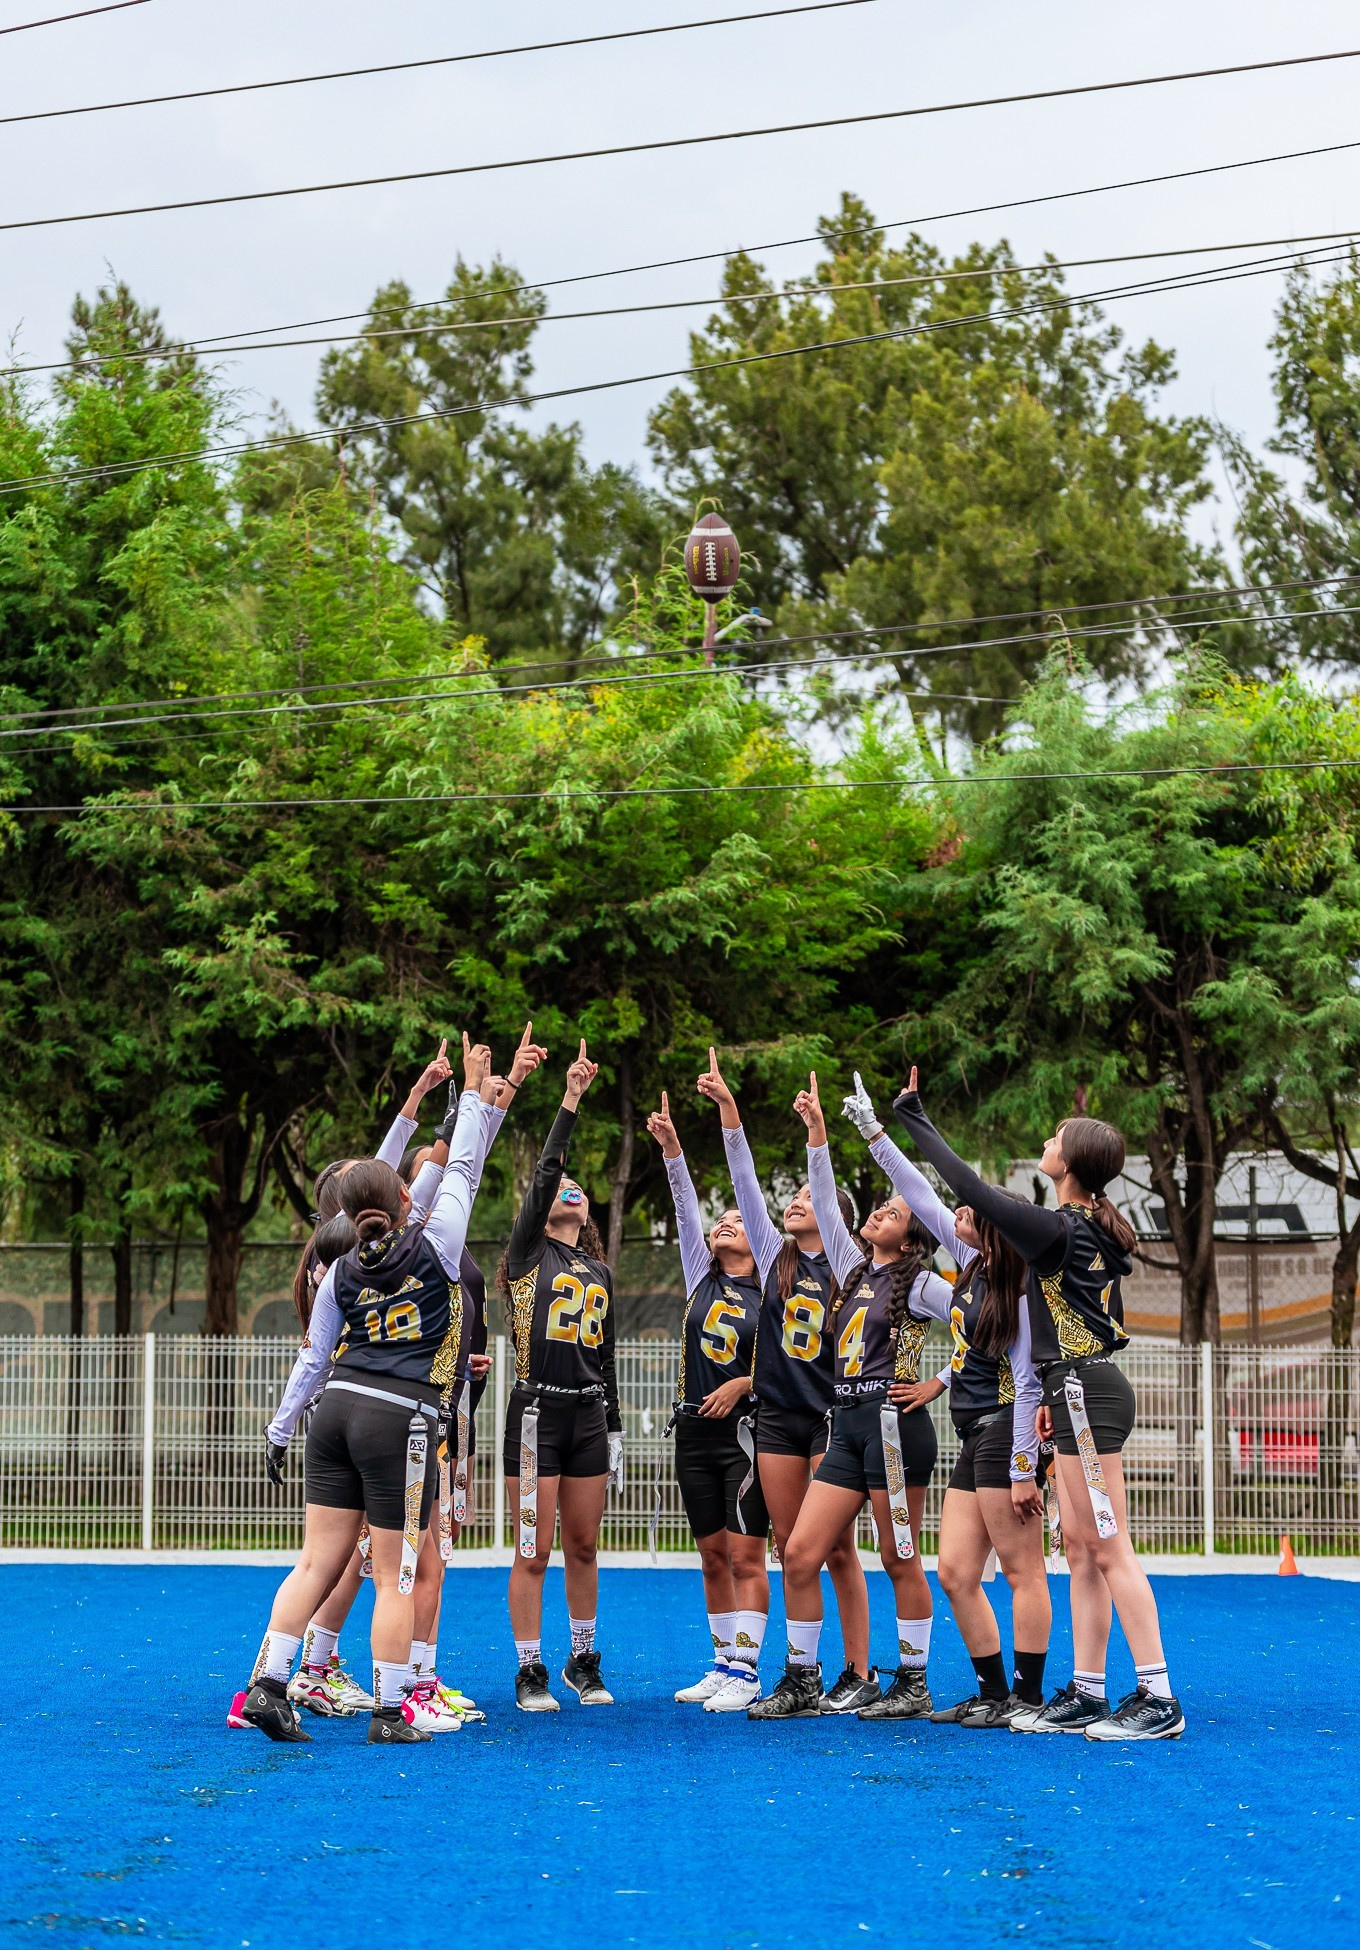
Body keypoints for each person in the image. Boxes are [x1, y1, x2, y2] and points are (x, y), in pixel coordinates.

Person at [892, 1071, 1185, 1741]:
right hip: (1075, 1390)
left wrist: (914, 1118)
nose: (1045, 1142)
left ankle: (1159, 1696)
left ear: (1071, 1163)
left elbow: (968, 1191)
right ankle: (1086, 1690)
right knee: (1082, 1549)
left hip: (1085, 1389)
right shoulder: (1082, 1227)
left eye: (1055, 1139)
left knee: (1109, 1549)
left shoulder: (1059, 1230)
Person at [236, 1063, 503, 1745]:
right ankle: (390, 1712)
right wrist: (472, 1094)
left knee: (314, 1561)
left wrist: (278, 1430)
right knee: (394, 1575)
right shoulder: (436, 1243)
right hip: (401, 1416)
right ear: (408, 1201)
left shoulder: (341, 1267)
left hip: (336, 1410)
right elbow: (464, 1168)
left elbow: (313, 1356)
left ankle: (267, 1685)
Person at [839, 1071, 1048, 1729]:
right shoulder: (972, 1262)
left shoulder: (1014, 1288)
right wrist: (875, 1131)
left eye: (972, 1207)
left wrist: (1023, 1466)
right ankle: (990, 1691)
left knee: (1020, 1571)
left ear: (995, 1225)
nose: (955, 1211)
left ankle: (1028, 1696)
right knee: (956, 1572)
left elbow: (1028, 1382)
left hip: (1003, 1433)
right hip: (972, 1434)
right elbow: (919, 1191)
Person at [746, 1074, 953, 1720]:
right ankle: (801, 1679)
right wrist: (817, 1133)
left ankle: (912, 1682)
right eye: (882, 1209)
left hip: (896, 1430)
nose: (879, 1215)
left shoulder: (920, 1283)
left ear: (911, 1237)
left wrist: (938, 1383)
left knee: (898, 1556)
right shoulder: (854, 1267)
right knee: (799, 1552)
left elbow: (983, 1325)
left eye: (893, 1213)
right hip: (847, 1426)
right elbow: (829, 1204)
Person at [693, 1049, 874, 1714]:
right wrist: (728, 1110)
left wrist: (817, 1134)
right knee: (791, 1549)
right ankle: (803, 1674)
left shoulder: (851, 1262)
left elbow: (823, 1191)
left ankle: (857, 1672)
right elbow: (742, 1179)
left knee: (834, 1551)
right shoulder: (775, 1256)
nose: (797, 1205)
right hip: (777, 1417)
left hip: (830, 1416)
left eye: (805, 1199)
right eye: (793, 1200)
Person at [497, 1041, 622, 1713]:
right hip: (536, 1413)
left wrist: (617, 1426)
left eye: (577, 1191)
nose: (566, 1190)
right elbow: (548, 1168)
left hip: (587, 1414)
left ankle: (583, 1659)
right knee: (533, 1547)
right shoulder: (527, 1254)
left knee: (583, 1544)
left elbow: (605, 1353)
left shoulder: (598, 1271)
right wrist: (570, 1098)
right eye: (555, 1191)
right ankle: (529, 1667)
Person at [645, 1090, 769, 1713]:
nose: (725, 1222)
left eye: (739, 1219)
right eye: (721, 1220)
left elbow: (786, 1365)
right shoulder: (702, 1275)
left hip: (746, 1433)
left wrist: (744, 1384)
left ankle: (748, 1670)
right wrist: (672, 1150)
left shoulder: (773, 1284)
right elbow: (684, 1207)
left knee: (748, 1552)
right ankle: (723, 1662)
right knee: (711, 1552)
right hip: (693, 1430)